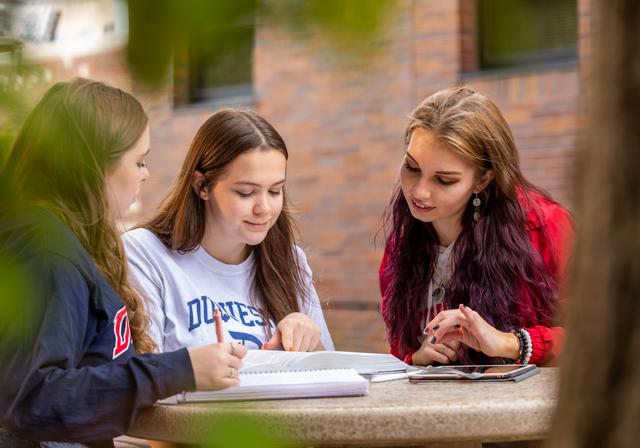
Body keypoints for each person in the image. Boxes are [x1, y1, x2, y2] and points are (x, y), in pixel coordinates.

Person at [0, 78, 247, 446]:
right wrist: (179, 369)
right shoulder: (46, 250)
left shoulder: (60, 239)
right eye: (139, 160)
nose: (145, 173)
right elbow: (33, 399)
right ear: (93, 164)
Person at [379, 86, 573, 367]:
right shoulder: (402, 243)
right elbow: (400, 350)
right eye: (411, 167)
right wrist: (416, 358)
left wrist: (508, 342)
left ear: (483, 180)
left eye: (444, 180)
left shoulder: (546, 228)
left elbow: (600, 336)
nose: (419, 192)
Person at [122, 109, 334, 354]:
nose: (264, 208)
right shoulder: (143, 252)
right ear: (202, 186)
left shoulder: (290, 259)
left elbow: (334, 372)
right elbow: (143, 376)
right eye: (246, 192)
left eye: (275, 191)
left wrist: (309, 338)